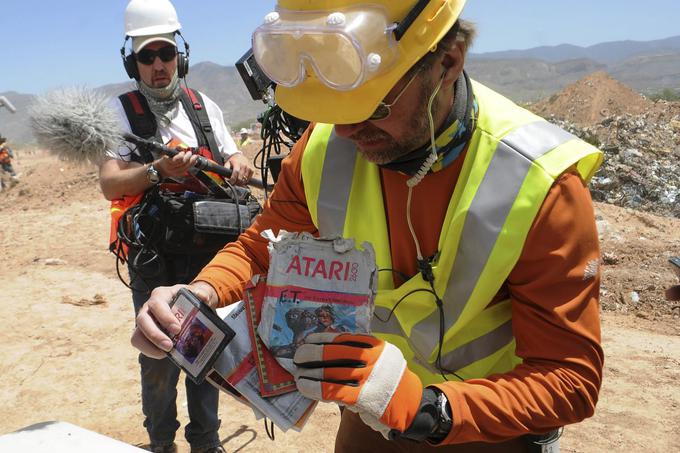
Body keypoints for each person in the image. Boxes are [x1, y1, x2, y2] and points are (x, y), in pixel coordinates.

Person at [131, 1, 605, 451]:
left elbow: (570, 380)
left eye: (374, 106)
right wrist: (198, 293)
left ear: (448, 63)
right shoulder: (321, 150)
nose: (346, 132)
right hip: (366, 429)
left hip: (486, 438)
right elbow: (264, 245)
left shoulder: (540, 184)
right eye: (332, 109)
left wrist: (426, 408)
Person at [99, 1, 253, 452]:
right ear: (134, 63)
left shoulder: (203, 106)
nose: (158, 65)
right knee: (160, 355)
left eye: (165, 53)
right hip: (154, 255)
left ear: (178, 56)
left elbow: (232, 155)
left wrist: (240, 162)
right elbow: (110, 182)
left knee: (205, 350)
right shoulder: (121, 111)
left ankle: (206, 442)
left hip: (207, 249)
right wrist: (157, 171)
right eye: (147, 57)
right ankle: (161, 443)